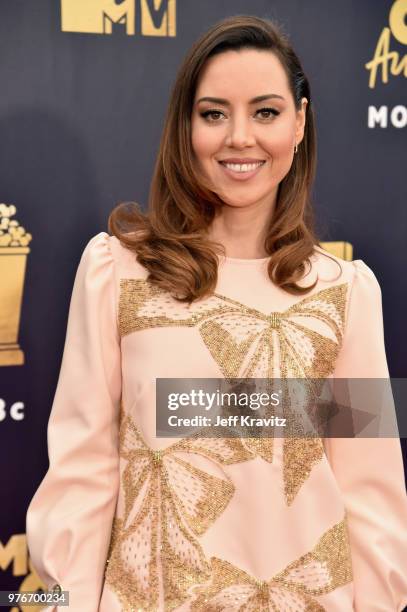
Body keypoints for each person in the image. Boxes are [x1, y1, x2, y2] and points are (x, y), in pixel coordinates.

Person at [26, 14, 407, 612]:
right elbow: (81, 475)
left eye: (266, 112)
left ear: (300, 123)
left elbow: (373, 496)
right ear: (187, 126)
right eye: (213, 113)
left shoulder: (346, 294)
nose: (239, 137)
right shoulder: (118, 271)